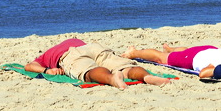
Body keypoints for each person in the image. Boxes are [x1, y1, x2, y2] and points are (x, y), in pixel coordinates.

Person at [24, 38, 172, 89]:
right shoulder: (73, 40)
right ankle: (146, 77)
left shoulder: (47, 54)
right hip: (92, 46)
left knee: (88, 72)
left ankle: (112, 79)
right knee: (123, 66)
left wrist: (46, 70)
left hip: (71, 55)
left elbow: (29, 66)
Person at [121, 43, 221, 79]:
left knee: (185, 52)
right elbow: (204, 72)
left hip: (212, 49)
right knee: (161, 58)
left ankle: (170, 50)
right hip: (194, 58)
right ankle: (133, 53)